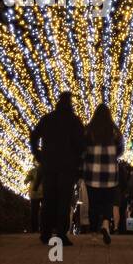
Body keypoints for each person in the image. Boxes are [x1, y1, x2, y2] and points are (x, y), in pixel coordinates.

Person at [29, 91, 85, 247]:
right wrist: (78, 159)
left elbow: (34, 136)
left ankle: (45, 233)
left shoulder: (47, 119)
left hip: (49, 164)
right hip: (67, 166)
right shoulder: (74, 121)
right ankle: (61, 234)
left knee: (49, 199)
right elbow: (81, 144)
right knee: (63, 200)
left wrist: (37, 153)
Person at [80, 103, 124, 245]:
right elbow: (120, 151)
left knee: (93, 203)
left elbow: (82, 150)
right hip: (110, 174)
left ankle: (93, 233)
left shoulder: (88, 130)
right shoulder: (115, 131)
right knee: (108, 202)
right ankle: (105, 224)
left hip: (92, 174)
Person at [115, 159, 132, 234]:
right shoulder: (125, 172)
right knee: (124, 212)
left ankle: (116, 227)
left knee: (116, 209)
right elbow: (126, 184)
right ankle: (125, 229)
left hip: (116, 191)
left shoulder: (115, 170)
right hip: (123, 194)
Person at [25, 162, 42, 233]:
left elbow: (26, 179)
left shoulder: (33, 171)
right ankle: (36, 229)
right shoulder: (32, 171)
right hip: (36, 193)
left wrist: (27, 180)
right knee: (35, 212)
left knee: (35, 212)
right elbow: (27, 179)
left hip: (37, 193)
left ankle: (36, 229)